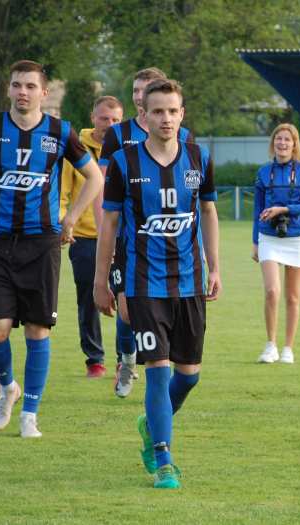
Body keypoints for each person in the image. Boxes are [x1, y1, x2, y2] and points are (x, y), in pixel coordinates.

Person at [0, 60, 103, 438]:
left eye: (30, 86)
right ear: (9, 89)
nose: (23, 92)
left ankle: (29, 412)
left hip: (42, 243)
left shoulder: (59, 132)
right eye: (17, 85)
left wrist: (71, 219)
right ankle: (8, 387)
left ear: (43, 93)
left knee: (37, 330)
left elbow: (95, 176)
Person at [94, 78, 221, 489]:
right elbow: (109, 225)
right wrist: (105, 280)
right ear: (144, 117)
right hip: (144, 284)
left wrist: (214, 267)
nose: (166, 118)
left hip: (190, 282)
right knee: (159, 373)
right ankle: (164, 458)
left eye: (173, 110)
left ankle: (150, 425)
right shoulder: (124, 164)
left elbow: (208, 213)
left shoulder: (199, 158)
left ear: (182, 114)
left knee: (190, 375)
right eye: (158, 111)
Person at [98, 67, 194, 398]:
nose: (139, 96)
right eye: (136, 90)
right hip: (129, 240)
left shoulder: (183, 137)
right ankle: (127, 359)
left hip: (169, 245)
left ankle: (143, 357)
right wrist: (105, 234)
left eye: (145, 90)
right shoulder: (117, 136)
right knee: (126, 310)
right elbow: (103, 186)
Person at [60, 96, 124, 378]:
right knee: (88, 299)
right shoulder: (76, 149)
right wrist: (65, 221)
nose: (109, 125)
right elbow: (61, 192)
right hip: (86, 237)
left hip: (122, 237)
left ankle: (126, 357)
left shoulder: (127, 149)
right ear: (92, 117)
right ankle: (95, 359)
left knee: (126, 298)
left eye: (115, 120)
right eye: (103, 118)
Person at [252, 124, 300, 364]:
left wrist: (284, 209)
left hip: (296, 236)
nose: (282, 143)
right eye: (278, 139)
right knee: (271, 291)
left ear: (294, 144)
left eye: (287, 140)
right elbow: (257, 210)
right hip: (268, 236)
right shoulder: (263, 172)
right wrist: (255, 242)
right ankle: (270, 345)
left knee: (292, 297)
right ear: (273, 143)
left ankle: (288, 348)